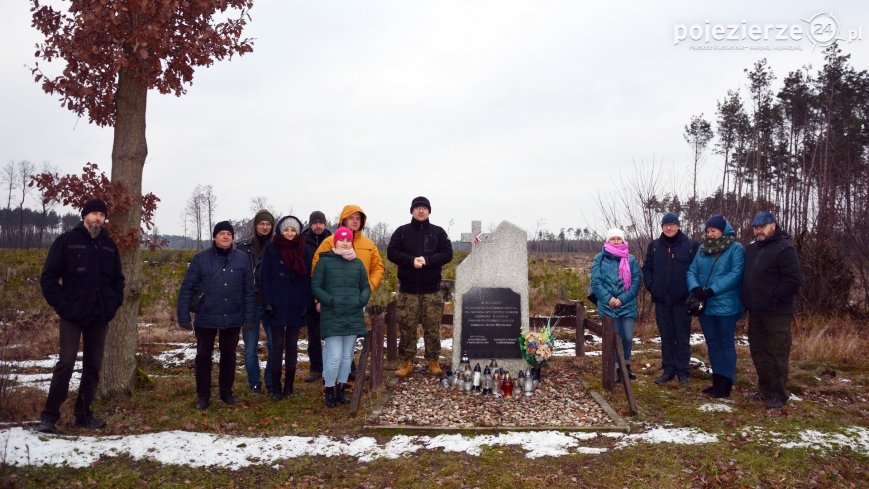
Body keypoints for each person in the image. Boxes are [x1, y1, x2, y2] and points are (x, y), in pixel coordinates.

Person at [36, 198, 125, 433]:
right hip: (72, 315)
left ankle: (84, 414)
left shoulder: (109, 246)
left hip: (99, 316)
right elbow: (48, 278)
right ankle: (49, 416)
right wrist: (63, 306)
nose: (98, 218)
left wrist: (112, 305)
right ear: (84, 215)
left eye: (102, 215)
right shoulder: (67, 241)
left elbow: (118, 280)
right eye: (94, 213)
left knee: (93, 366)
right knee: (66, 363)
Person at [177, 221, 254, 410]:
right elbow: (187, 288)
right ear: (214, 237)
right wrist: (183, 315)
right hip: (206, 316)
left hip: (232, 316)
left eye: (229, 234)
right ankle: (203, 395)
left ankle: (226, 392)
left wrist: (249, 317)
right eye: (222, 233)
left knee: (229, 355)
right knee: (204, 356)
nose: (226, 236)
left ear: (233, 238)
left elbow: (248, 291)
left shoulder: (242, 259)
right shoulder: (200, 259)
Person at [311, 204, 384, 383]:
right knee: (333, 345)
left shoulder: (369, 245)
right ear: (343, 220)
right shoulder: (329, 242)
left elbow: (378, 267)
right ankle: (329, 379)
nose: (355, 221)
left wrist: (368, 288)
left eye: (358, 218)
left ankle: (344, 378)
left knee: (348, 344)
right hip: (333, 302)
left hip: (356, 301)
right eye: (351, 218)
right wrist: (319, 299)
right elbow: (316, 271)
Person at [742, 211, 803, 410]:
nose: (758, 230)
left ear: (773, 226)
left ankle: (779, 394)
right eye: (756, 227)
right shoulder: (752, 249)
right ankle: (765, 390)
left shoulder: (784, 249)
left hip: (777, 312)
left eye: (762, 227)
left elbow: (793, 280)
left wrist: (774, 297)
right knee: (759, 352)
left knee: (778, 353)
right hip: (755, 311)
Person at [387, 196, 453, 377]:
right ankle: (407, 362)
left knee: (432, 328)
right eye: (417, 208)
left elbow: (447, 253)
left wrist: (428, 260)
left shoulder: (438, 232)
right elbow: (391, 252)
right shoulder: (402, 232)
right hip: (408, 292)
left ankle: (433, 361)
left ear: (429, 211)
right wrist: (410, 261)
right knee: (407, 328)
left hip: (432, 291)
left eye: (424, 207)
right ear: (412, 211)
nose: (421, 210)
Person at [311, 227, 370, 408]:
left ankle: (341, 390)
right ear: (335, 241)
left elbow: (365, 286)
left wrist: (361, 300)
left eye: (348, 240)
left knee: (346, 356)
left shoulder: (358, 264)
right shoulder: (325, 262)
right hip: (333, 315)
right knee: (334, 356)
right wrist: (329, 300)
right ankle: (329, 389)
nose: (345, 243)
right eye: (341, 240)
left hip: (352, 315)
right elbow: (316, 286)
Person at [687, 214, 744, 399]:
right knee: (712, 344)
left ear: (723, 230)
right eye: (708, 230)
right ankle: (717, 381)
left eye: (714, 230)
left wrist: (713, 290)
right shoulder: (702, 249)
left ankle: (726, 383)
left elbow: (735, 274)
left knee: (725, 343)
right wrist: (695, 288)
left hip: (726, 304)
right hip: (706, 305)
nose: (710, 234)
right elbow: (692, 270)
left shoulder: (735, 248)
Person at [642, 212, 699, 386]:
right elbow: (647, 269)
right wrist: (652, 287)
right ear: (662, 227)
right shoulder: (654, 246)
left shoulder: (690, 245)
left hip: (683, 300)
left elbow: (697, 270)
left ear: (678, 226)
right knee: (666, 336)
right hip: (662, 300)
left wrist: (691, 291)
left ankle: (683, 371)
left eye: (672, 224)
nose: (669, 227)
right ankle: (668, 370)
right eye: (666, 225)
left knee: (682, 336)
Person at [260, 215, 313, 401]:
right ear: (280, 231)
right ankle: (276, 387)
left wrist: (306, 303)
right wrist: (267, 302)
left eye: (293, 230)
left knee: (292, 345)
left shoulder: (304, 249)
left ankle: (289, 385)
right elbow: (264, 277)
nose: (290, 233)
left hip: (296, 304)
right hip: (276, 304)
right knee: (277, 345)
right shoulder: (271, 248)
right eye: (286, 230)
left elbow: (308, 279)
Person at [590, 228, 642, 382]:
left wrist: (622, 299)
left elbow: (636, 282)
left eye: (618, 238)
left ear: (623, 240)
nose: (616, 241)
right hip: (608, 306)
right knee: (613, 338)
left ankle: (626, 365)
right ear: (607, 241)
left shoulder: (631, 259)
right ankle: (616, 368)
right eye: (612, 239)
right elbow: (596, 282)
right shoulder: (599, 258)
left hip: (627, 304)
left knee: (627, 337)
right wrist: (609, 299)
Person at [237, 209, 275, 394]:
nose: (265, 227)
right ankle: (254, 383)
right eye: (262, 223)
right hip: (250, 304)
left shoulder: (277, 247)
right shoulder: (242, 248)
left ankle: (270, 381)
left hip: (271, 304)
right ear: (256, 225)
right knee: (250, 348)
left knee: (274, 345)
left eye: (268, 224)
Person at [300, 210, 332, 383]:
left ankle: (337, 367)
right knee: (313, 333)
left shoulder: (332, 240)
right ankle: (316, 368)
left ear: (325, 224)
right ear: (310, 224)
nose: (318, 226)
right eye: (315, 223)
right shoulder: (302, 241)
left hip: (329, 292)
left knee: (334, 332)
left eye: (321, 223)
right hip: (308, 291)